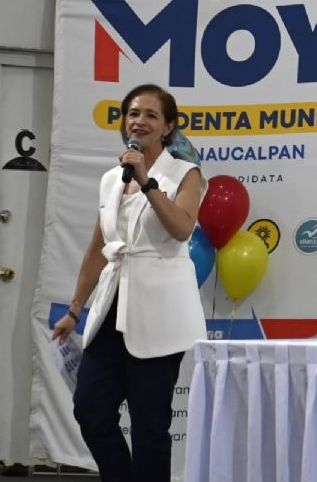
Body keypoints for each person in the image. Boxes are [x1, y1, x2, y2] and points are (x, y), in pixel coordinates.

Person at [51, 84, 205, 481]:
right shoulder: (110, 180)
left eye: (152, 115)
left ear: (168, 127)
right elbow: (96, 248)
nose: (140, 121)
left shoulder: (184, 174)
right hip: (111, 311)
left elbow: (181, 229)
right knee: (90, 409)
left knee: (150, 427)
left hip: (160, 316)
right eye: (134, 113)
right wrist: (74, 310)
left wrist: (148, 182)